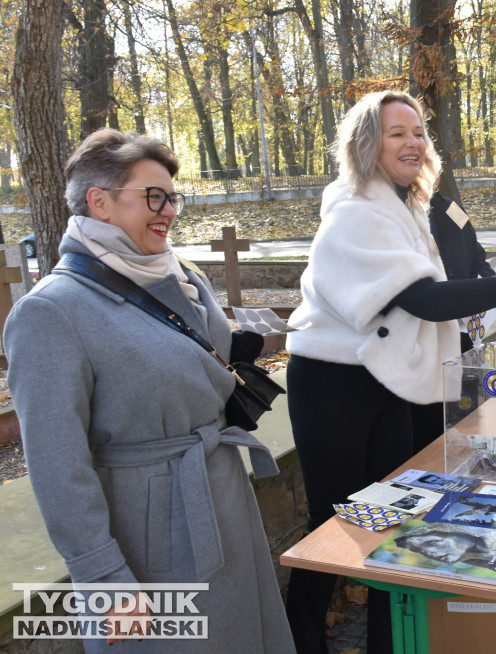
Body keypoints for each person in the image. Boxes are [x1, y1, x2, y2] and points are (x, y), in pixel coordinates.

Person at [283, 90, 496, 654]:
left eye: (419, 132)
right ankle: (300, 642)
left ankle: (391, 643)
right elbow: (425, 301)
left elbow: (449, 289)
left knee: (393, 517)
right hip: (335, 385)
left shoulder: (408, 206)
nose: (413, 142)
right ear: (366, 143)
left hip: (391, 381)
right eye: (396, 132)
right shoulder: (355, 210)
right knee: (330, 529)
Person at [3, 129, 295, 653]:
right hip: (151, 532)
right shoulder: (50, 311)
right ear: (100, 202)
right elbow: (56, 464)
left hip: (221, 496)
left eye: (172, 197)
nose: (169, 211)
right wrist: (104, 580)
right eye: (152, 196)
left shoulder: (179, 273)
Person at [408, 190, 495, 452]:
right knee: (428, 434)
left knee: (466, 423)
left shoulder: (449, 208)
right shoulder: (395, 212)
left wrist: (485, 285)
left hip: (463, 339)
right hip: (422, 342)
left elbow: (478, 258)